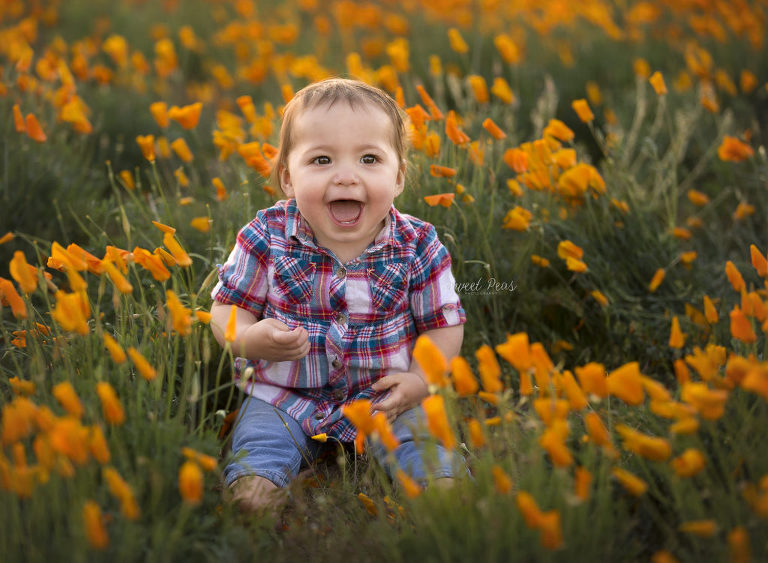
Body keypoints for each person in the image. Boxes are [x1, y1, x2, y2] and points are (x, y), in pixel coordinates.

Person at [210, 78, 465, 513]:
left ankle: (443, 497)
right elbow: (226, 309)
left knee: (422, 442)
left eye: (369, 159)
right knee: (260, 441)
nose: (346, 176)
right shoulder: (265, 237)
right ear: (288, 178)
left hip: (389, 398)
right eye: (322, 159)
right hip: (285, 395)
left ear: (398, 176)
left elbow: (444, 325)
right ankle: (254, 491)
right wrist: (248, 338)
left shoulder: (418, 245)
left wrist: (421, 381)